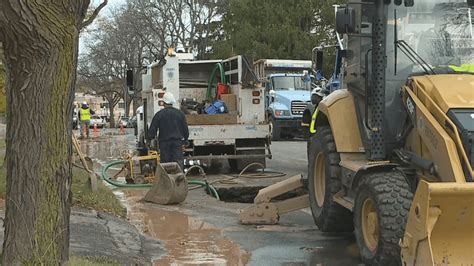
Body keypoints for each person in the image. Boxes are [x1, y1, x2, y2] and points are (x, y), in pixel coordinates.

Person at [146, 92, 189, 171]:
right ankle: (178, 179)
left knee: (165, 163)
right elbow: (185, 129)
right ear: (172, 102)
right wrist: (186, 140)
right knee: (178, 162)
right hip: (177, 142)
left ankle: (167, 179)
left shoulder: (159, 114)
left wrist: (149, 139)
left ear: (164, 103)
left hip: (164, 143)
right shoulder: (180, 114)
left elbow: (153, 129)